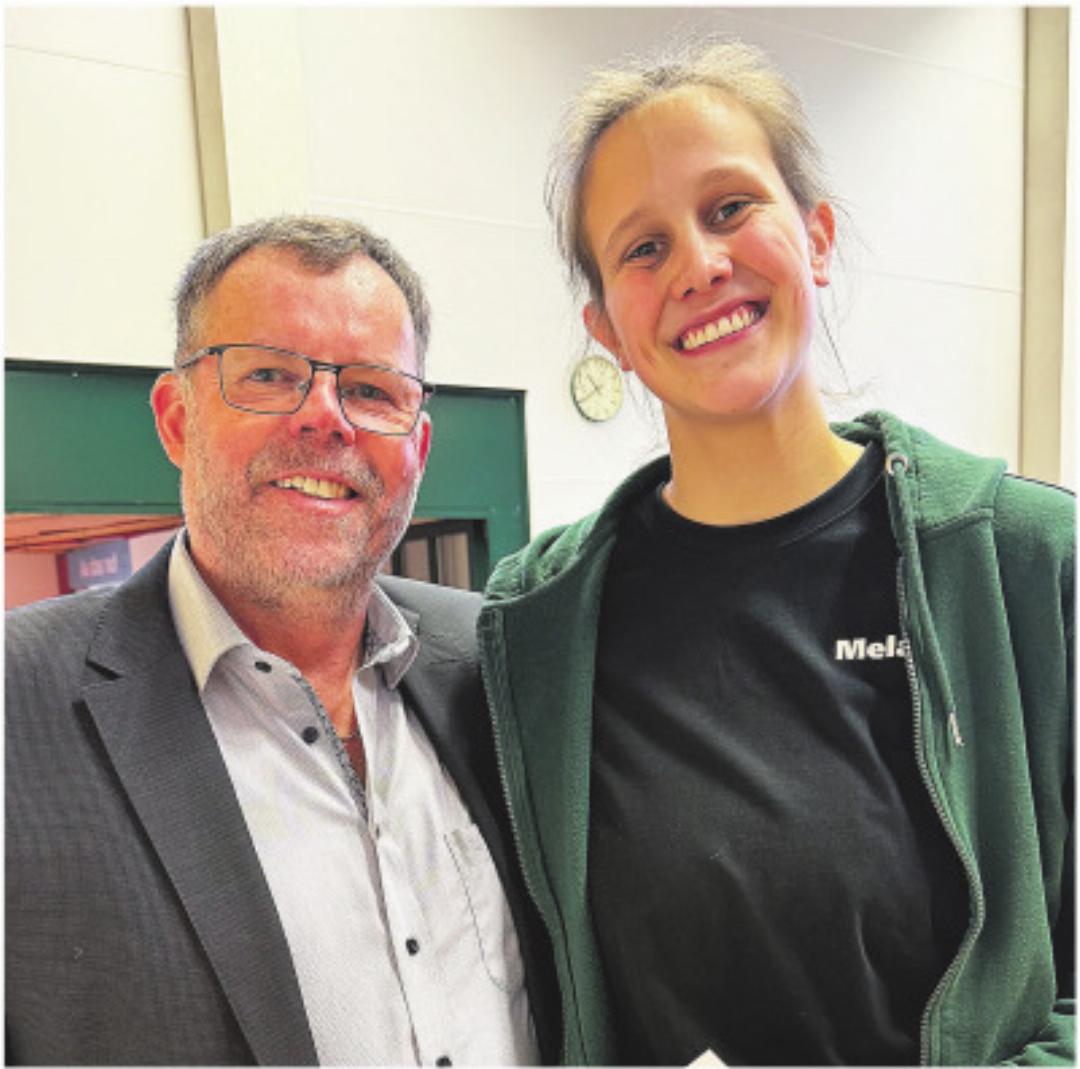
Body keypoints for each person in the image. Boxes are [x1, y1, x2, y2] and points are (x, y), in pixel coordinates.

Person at [477, 38, 1074, 1066]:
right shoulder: (537, 627)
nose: (699, 267)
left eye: (729, 209)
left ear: (817, 236)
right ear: (607, 329)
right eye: (643, 248)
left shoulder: (1019, 561)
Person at [6, 215, 557, 1066]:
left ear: (417, 444)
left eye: (371, 389)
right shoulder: (19, 709)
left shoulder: (492, 663)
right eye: (268, 374)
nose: (324, 418)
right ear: (177, 418)